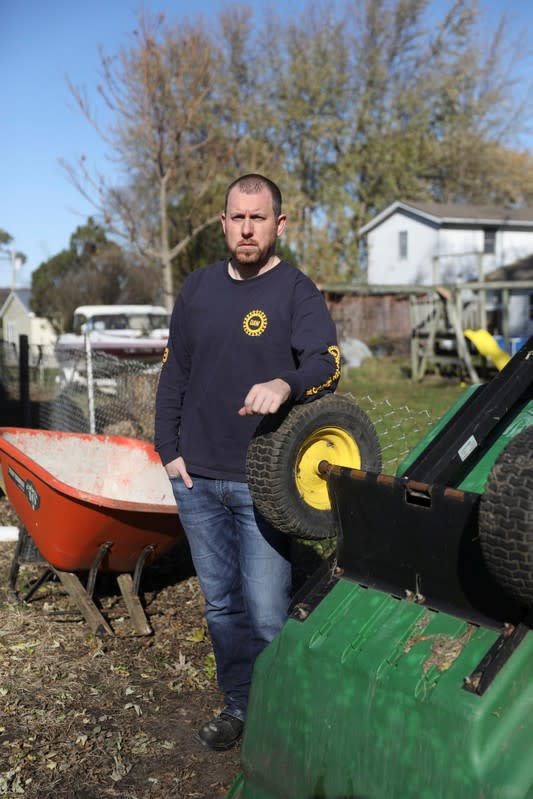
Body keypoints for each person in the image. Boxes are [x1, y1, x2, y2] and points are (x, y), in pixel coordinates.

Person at [154, 173, 340, 751]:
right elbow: (174, 372)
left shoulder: (296, 292)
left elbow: (327, 362)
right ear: (223, 223)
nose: (247, 228)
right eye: (238, 217)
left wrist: (287, 382)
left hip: (262, 480)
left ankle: (280, 714)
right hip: (197, 479)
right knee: (221, 607)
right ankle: (240, 706)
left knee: (264, 613)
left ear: (278, 224)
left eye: (258, 218)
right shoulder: (198, 289)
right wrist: (169, 451)